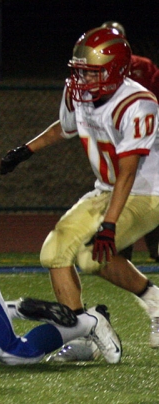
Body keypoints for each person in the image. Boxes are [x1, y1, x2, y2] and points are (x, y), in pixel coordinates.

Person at [0, 27, 159, 352]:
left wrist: (109, 226)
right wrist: (27, 150)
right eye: (80, 72)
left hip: (147, 192)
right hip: (107, 189)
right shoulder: (80, 92)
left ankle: (156, 303)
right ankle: (83, 334)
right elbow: (66, 127)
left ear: (114, 71)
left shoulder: (138, 103)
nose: (82, 80)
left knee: (91, 258)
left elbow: (128, 173)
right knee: (54, 252)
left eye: (91, 73)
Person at [100, 21, 159, 262]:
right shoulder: (95, 68)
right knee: (118, 187)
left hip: (145, 134)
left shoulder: (142, 66)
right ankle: (122, 246)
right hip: (114, 135)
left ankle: (155, 246)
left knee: (149, 188)